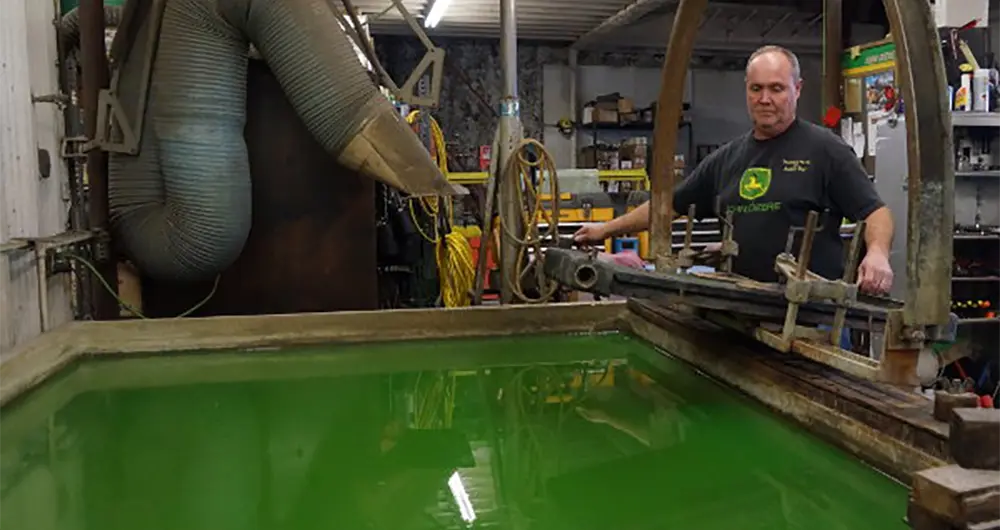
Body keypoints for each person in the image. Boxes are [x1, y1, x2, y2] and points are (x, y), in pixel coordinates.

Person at [574, 45, 894, 295]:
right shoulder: (727, 158)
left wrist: (877, 253)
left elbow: (875, 212)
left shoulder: (827, 151)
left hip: (809, 317)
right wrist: (603, 230)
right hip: (739, 307)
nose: (764, 99)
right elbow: (666, 207)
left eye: (776, 88)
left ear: (798, 89)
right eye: (756, 89)